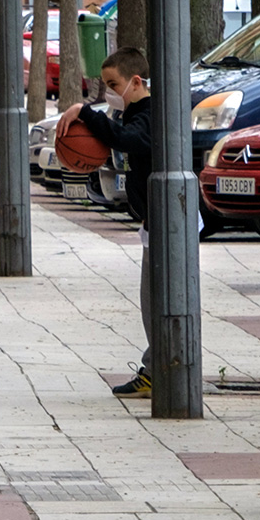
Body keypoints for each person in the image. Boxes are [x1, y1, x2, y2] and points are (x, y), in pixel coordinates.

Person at [75, 49, 156, 396]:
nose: (109, 91)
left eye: (113, 84)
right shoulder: (137, 111)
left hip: (167, 222)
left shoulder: (148, 114)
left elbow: (129, 139)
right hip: (155, 222)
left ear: (135, 82)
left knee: (156, 303)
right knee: (152, 302)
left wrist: (84, 114)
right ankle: (158, 367)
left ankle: (160, 371)